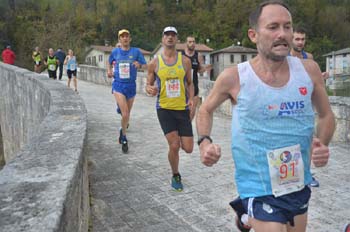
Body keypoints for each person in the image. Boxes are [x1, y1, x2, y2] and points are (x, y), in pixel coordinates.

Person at [196, 1, 335, 232]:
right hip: (257, 184)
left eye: (287, 27)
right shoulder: (234, 77)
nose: (282, 34)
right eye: (273, 27)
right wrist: (204, 142)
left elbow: (326, 115)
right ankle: (250, 211)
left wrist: (322, 143)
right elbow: (205, 110)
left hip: (296, 180)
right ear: (253, 34)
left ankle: (245, 218)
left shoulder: (309, 70)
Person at [146, 26, 194, 192]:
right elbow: (148, 84)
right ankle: (175, 175)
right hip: (164, 109)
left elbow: (189, 82)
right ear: (162, 39)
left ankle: (178, 139)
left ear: (177, 40)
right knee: (174, 145)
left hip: (182, 109)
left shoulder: (185, 61)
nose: (170, 38)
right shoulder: (154, 63)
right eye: (167, 35)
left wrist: (192, 99)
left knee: (188, 148)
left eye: (173, 35)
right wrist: (149, 89)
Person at [107, 29, 147, 153]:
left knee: (127, 114)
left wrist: (139, 65)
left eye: (126, 36)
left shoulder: (136, 52)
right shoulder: (115, 51)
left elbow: (146, 66)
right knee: (125, 114)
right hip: (118, 85)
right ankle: (124, 137)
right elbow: (109, 63)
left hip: (131, 86)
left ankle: (122, 127)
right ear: (119, 40)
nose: (124, 38)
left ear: (130, 39)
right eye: (122, 37)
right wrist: (109, 71)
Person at [182, 36, 212, 120]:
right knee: (181, 111)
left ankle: (187, 129)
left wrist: (205, 68)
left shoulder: (198, 56)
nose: (192, 44)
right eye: (190, 42)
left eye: (193, 42)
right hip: (182, 88)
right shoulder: (181, 55)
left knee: (192, 111)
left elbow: (200, 70)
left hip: (194, 86)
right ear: (186, 43)